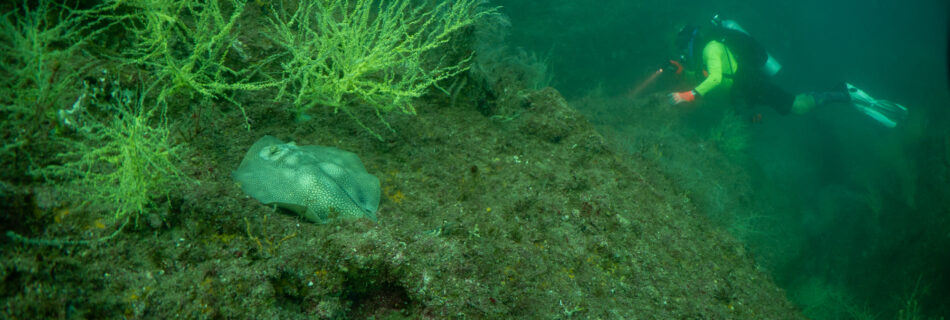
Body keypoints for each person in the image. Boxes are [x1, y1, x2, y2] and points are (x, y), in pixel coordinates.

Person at [667, 16, 908, 128]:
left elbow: (717, 78)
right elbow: (710, 77)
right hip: (745, 89)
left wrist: (690, 94)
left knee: (798, 107)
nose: (682, 52)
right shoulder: (706, 53)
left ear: (689, 40)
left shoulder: (710, 48)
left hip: (752, 84)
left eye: (681, 45)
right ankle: (839, 91)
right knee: (796, 107)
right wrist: (684, 73)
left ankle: (843, 92)